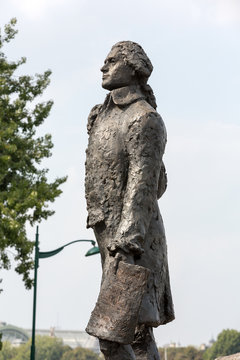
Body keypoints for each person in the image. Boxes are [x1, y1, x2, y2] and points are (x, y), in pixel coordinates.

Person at [85, 41, 174, 360]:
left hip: (132, 240)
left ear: (133, 69)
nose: (103, 66)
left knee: (111, 334)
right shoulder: (102, 116)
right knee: (135, 333)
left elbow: (145, 184)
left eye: (112, 61)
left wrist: (127, 239)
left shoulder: (144, 118)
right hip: (109, 234)